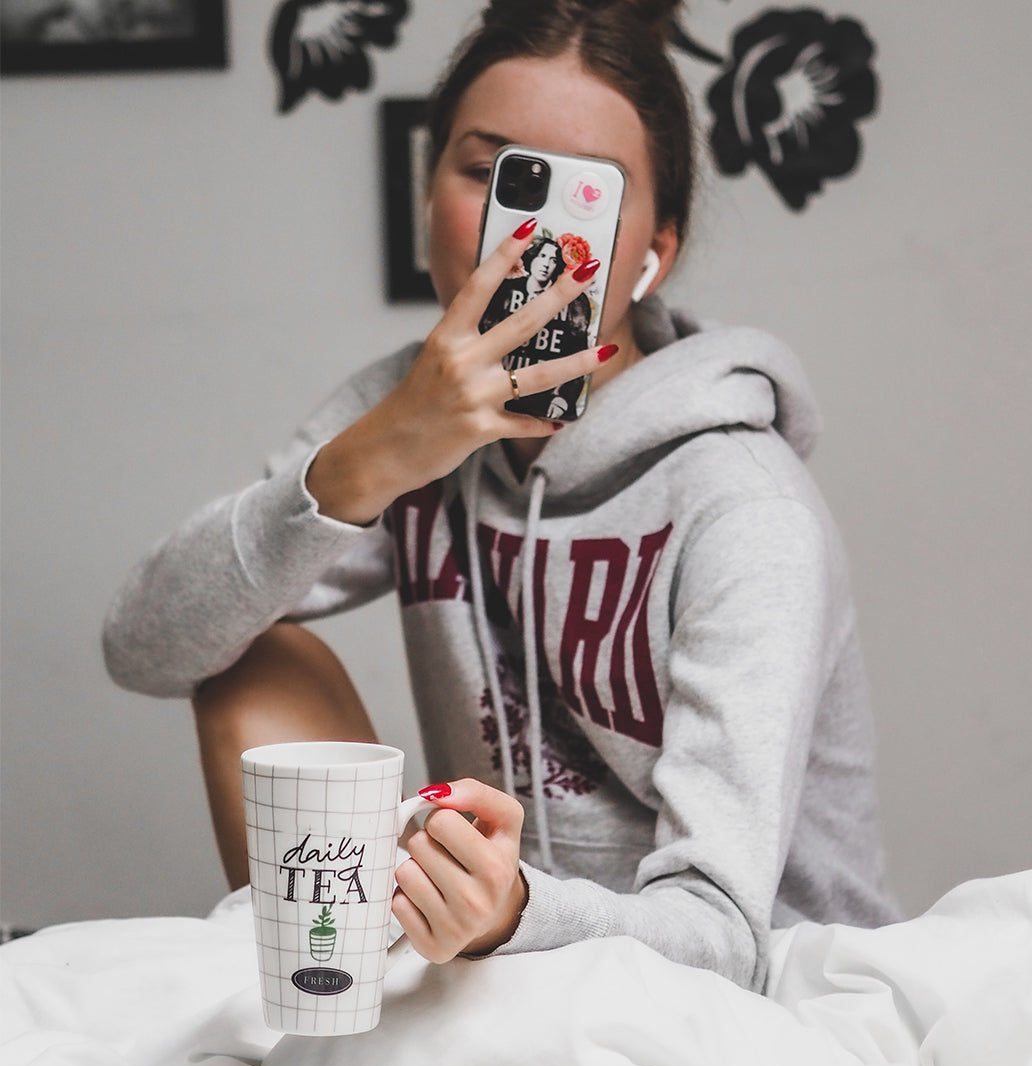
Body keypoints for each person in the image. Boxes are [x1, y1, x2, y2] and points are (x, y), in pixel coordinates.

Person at [103, 0, 899, 991]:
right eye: (490, 174)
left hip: (756, 999)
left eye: (586, 200)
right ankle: (325, 998)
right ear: (426, 188)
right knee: (252, 650)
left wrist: (516, 908)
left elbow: (729, 935)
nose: (524, 237)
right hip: (497, 959)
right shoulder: (404, 411)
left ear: (652, 251)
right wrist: (376, 458)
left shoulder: (743, 506)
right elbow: (144, 646)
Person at [480, 236, 593, 419]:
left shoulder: (576, 304)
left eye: (553, 260)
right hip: (491, 392)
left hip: (550, 400)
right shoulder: (506, 289)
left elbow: (578, 352)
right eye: (542, 256)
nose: (546, 264)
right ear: (532, 258)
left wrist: (561, 399)